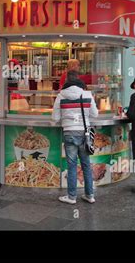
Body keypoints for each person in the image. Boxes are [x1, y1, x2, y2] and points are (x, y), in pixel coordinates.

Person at [52, 70, 98, 204]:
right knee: (86, 165)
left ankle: (72, 197)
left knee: (72, 166)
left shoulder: (61, 95)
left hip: (69, 132)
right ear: (79, 80)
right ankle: (90, 195)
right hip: (84, 133)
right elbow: (95, 114)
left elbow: (55, 118)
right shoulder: (87, 94)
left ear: (67, 80)